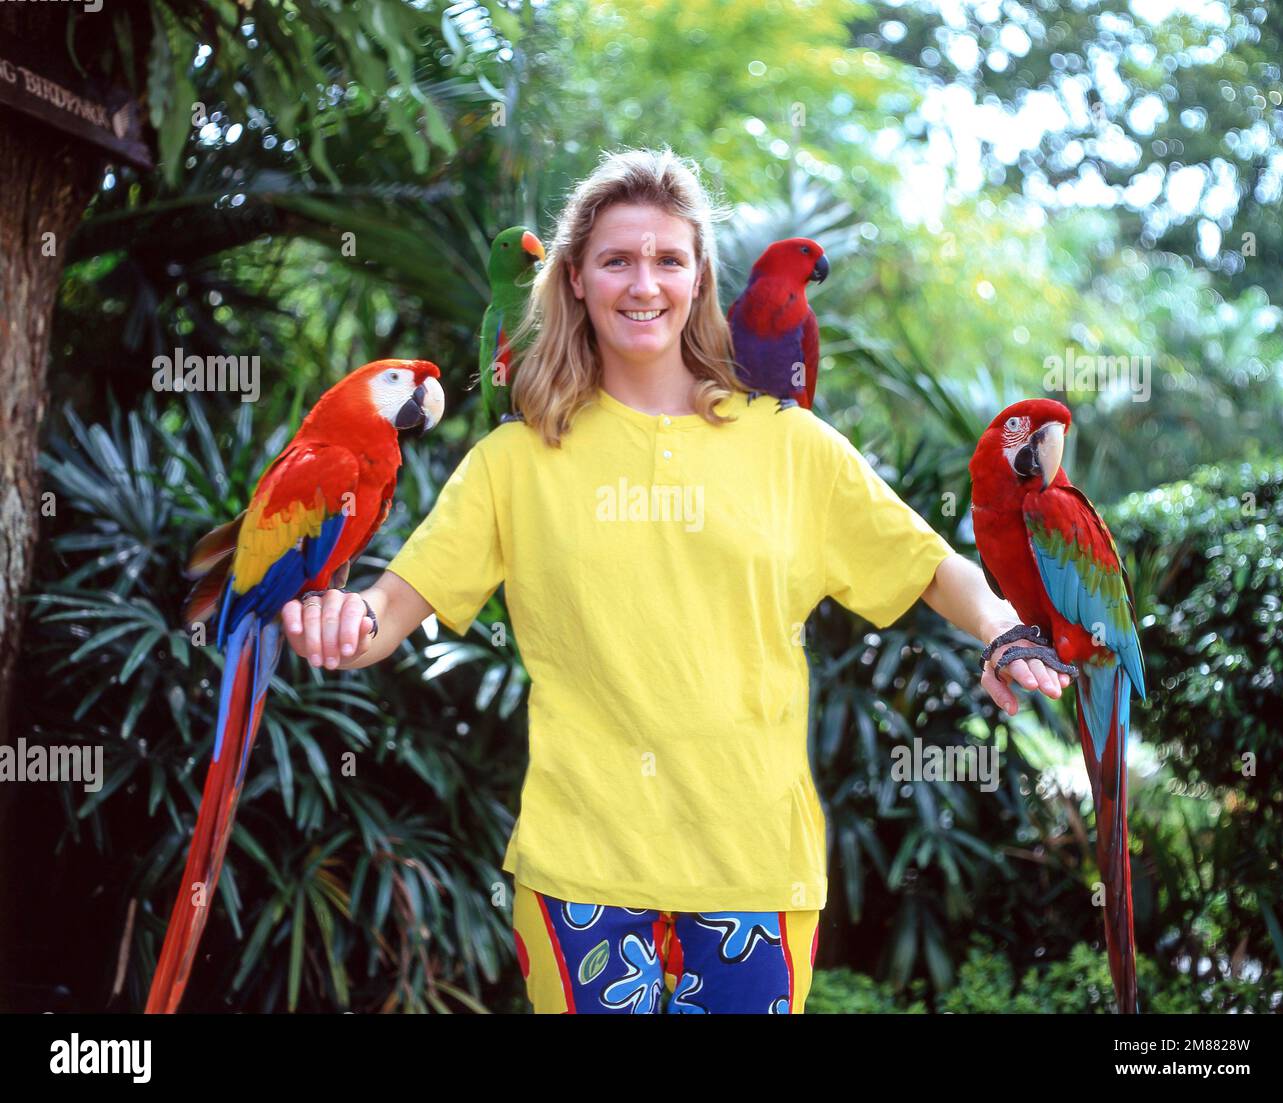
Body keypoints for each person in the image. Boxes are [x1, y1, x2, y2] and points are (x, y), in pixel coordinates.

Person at [278, 147, 1069, 1014]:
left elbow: (930, 565)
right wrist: (338, 620)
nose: (642, 283)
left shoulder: (789, 443)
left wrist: (1002, 629)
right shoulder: (514, 459)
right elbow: (392, 604)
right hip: (580, 866)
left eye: (668, 259)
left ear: (699, 278)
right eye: (617, 259)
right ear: (575, 279)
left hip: (753, 868)